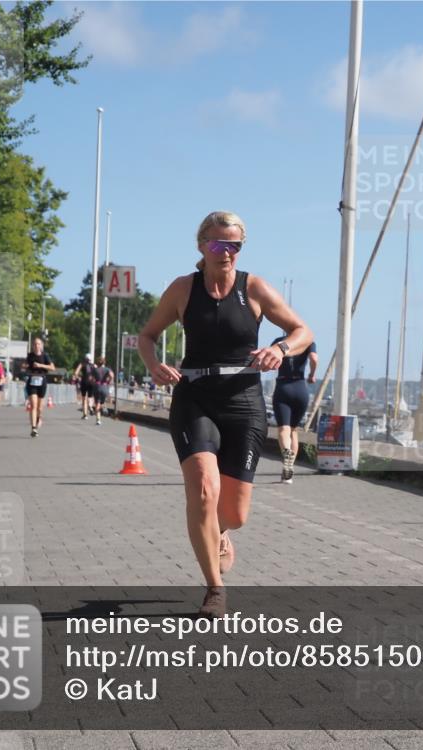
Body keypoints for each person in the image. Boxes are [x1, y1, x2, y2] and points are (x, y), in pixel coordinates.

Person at [138, 210, 312, 619]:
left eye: (235, 245)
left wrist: (280, 349)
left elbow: (302, 331)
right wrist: (153, 365)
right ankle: (215, 589)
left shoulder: (254, 288)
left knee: (234, 513)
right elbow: (148, 335)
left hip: (243, 402)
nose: (227, 252)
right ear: (202, 246)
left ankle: (220, 533)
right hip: (194, 398)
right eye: (218, 244)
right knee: (203, 490)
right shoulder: (183, 289)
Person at [270, 332, 317, 483]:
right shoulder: (308, 341)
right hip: (300, 388)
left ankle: (286, 452)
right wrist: (312, 374)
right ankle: (288, 472)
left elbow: (271, 360)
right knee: (293, 430)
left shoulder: (279, 341)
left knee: (283, 429)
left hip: (283, 387)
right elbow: (314, 358)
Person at [22, 337, 55, 437]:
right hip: (32, 381)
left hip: (42, 381)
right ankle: (33, 428)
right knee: (33, 405)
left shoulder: (45, 356)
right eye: (35, 344)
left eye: (38, 344)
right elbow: (23, 366)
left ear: (41, 346)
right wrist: (25, 366)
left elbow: (52, 368)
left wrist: (41, 365)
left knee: (40, 408)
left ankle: (38, 418)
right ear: (33, 346)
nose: (37, 346)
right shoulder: (30, 356)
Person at [91, 355, 114, 425]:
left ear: (97, 362)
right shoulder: (107, 369)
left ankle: (98, 419)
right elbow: (112, 375)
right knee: (101, 402)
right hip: (104, 387)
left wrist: (93, 383)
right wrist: (109, 381)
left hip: (97, 387)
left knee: (97, 403)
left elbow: (91, 379)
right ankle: (103, 408)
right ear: (104, 362)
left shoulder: (95, 370)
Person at [73, 354, 96, 419]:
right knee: (90, 396)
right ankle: (90, 407)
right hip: (91, 382)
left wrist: (78, 377)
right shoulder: (94, 365)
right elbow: (97, 374)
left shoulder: (82, 364)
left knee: (84, 398)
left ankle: (85, 415)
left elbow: (76, 373)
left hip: (84, 382)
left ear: (85, 358)